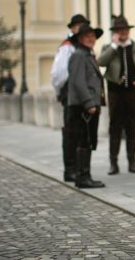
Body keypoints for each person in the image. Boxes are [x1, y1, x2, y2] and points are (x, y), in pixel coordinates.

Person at [98, 15, 135, 175]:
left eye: (124, 29)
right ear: (115, 32)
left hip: (132, 92)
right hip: (115, 91)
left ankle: (132, 162)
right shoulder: (108, 48)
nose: (122, 32)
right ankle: (113, 163)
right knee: (114, 126)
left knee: (132, 126)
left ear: (128, 31)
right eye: (118, 30)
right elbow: (100, 62)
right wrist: (114, 46)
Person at [50, 13, 90, 182]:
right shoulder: (68, 46)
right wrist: (60, 92)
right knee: (71, 132)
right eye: (78, 26)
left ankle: (79, 168)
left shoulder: (83, 46)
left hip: (81, 93)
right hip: (71, 93)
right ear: (72, 28)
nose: (80, 29)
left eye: (83, 26)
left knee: (81, 132)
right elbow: (58, 73)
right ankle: (70, 168)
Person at [68, 23, 105, 189]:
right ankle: (83, 176)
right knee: (84, 140)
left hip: (88, 105)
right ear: (80, 39)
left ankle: (84, 175)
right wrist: (89, 103)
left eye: (93, 36)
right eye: (87, 37)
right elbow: (78, 81)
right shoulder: (79, 55)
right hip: (83, 107)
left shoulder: (88, 54)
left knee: (88, 140)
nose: (91, 39)